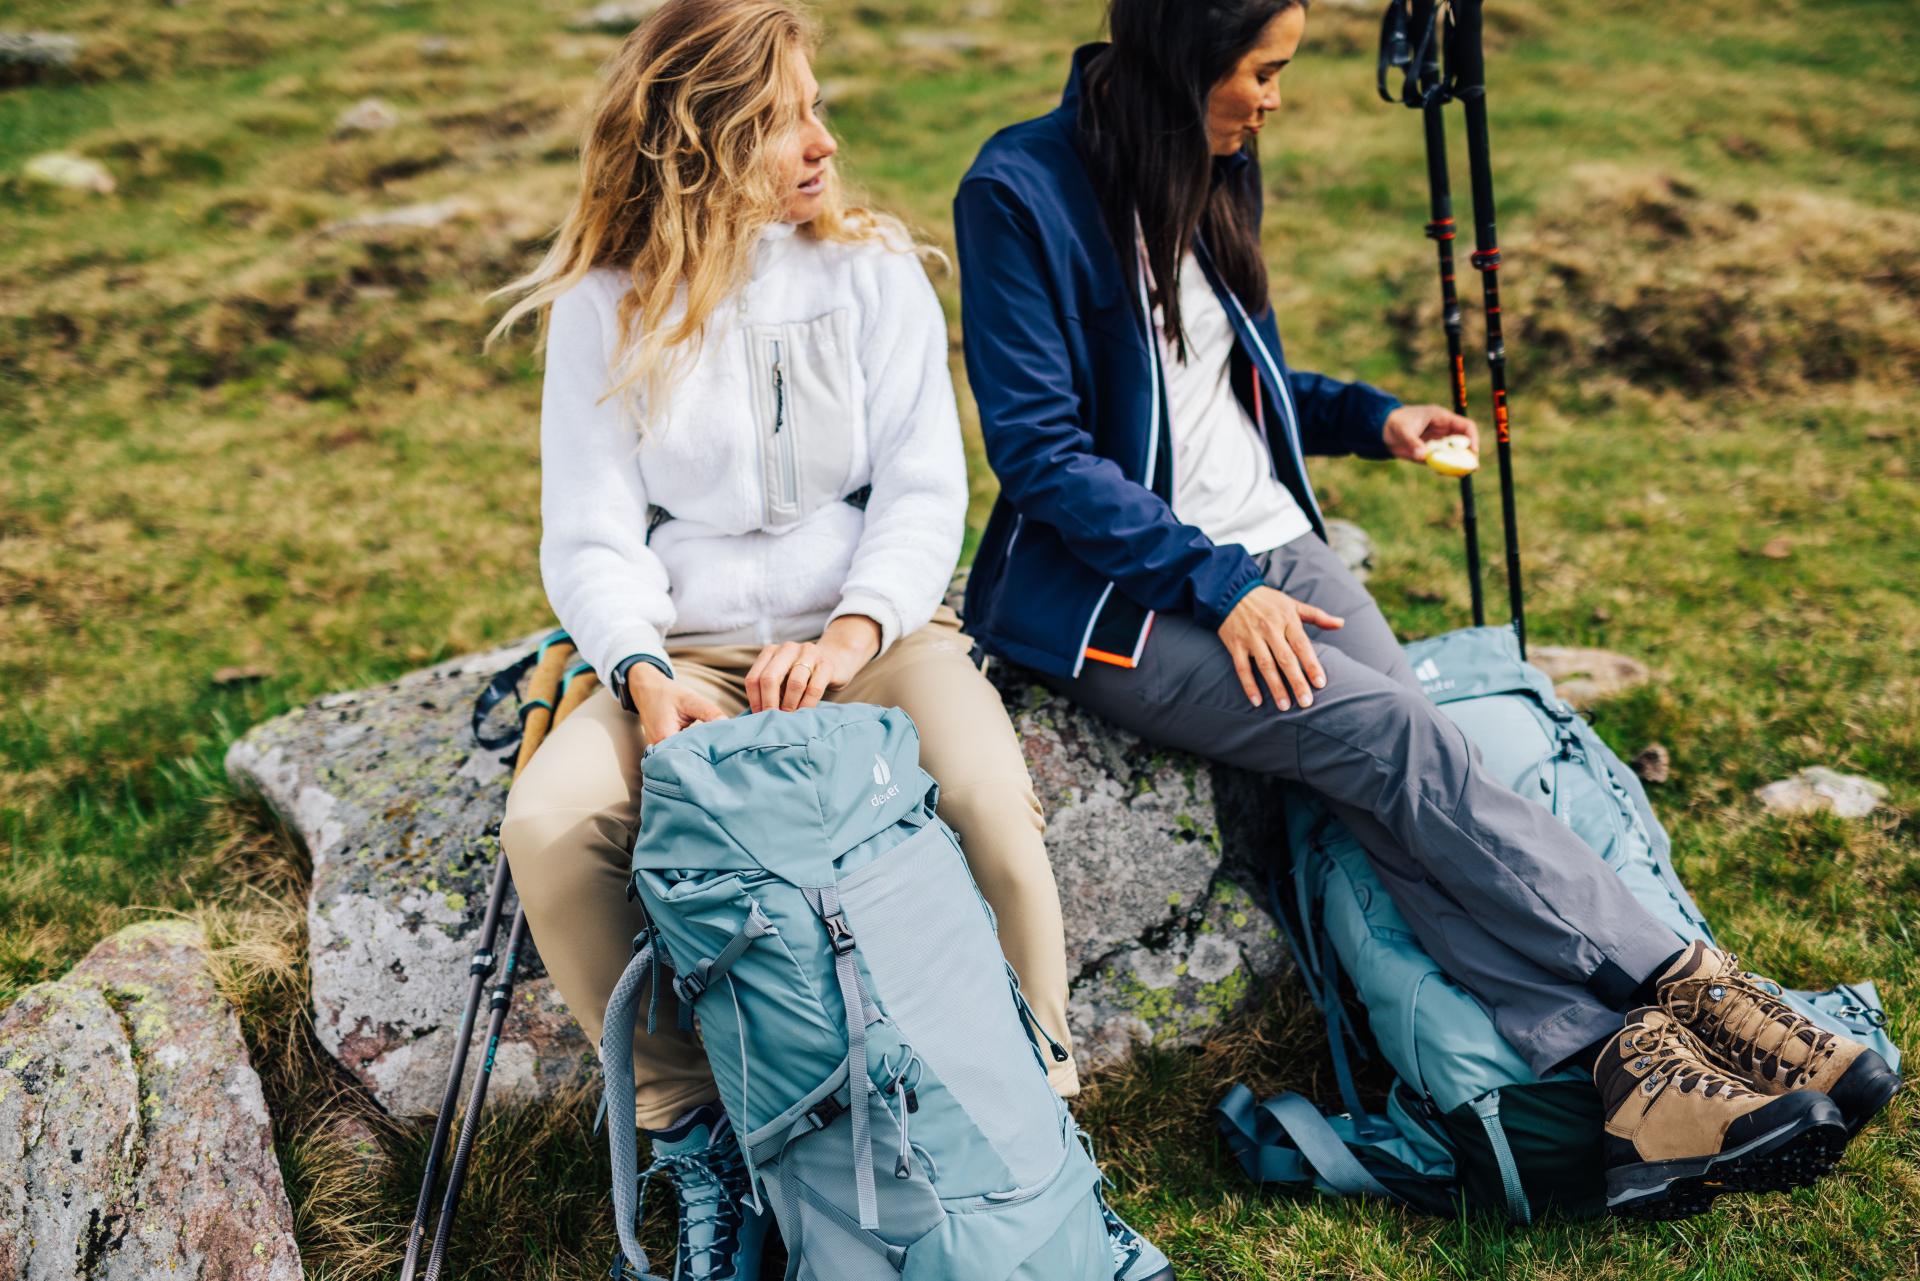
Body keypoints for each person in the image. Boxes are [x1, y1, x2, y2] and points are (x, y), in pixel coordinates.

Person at [952, 0, 1899, 1221]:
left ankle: (1619, 1076)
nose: (1277, 98)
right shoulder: (1017, 187)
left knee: (1412, 771)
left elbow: (1229, 376)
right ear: (1187, 62)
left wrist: (1368, 416)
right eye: (1263, 70)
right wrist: (1222, 585)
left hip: (1275, 543)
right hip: (1123, 601)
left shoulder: (1216, 162)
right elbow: (1040, 453)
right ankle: (1692, 990)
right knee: (1393, 744)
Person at [489, 3, 1171, 1278]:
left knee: (986, 803)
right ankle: (694, 1134)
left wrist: (858, 627)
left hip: (880, 628)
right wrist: (639, 672)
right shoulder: (602, 305)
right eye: (786, 116)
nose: (824, 137)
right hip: (686, 651)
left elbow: (925, 492)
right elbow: (587, 534)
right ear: (701, 139)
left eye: (818, 104)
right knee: (551, 826)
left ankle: (1039, 1126)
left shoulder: (875, 275)